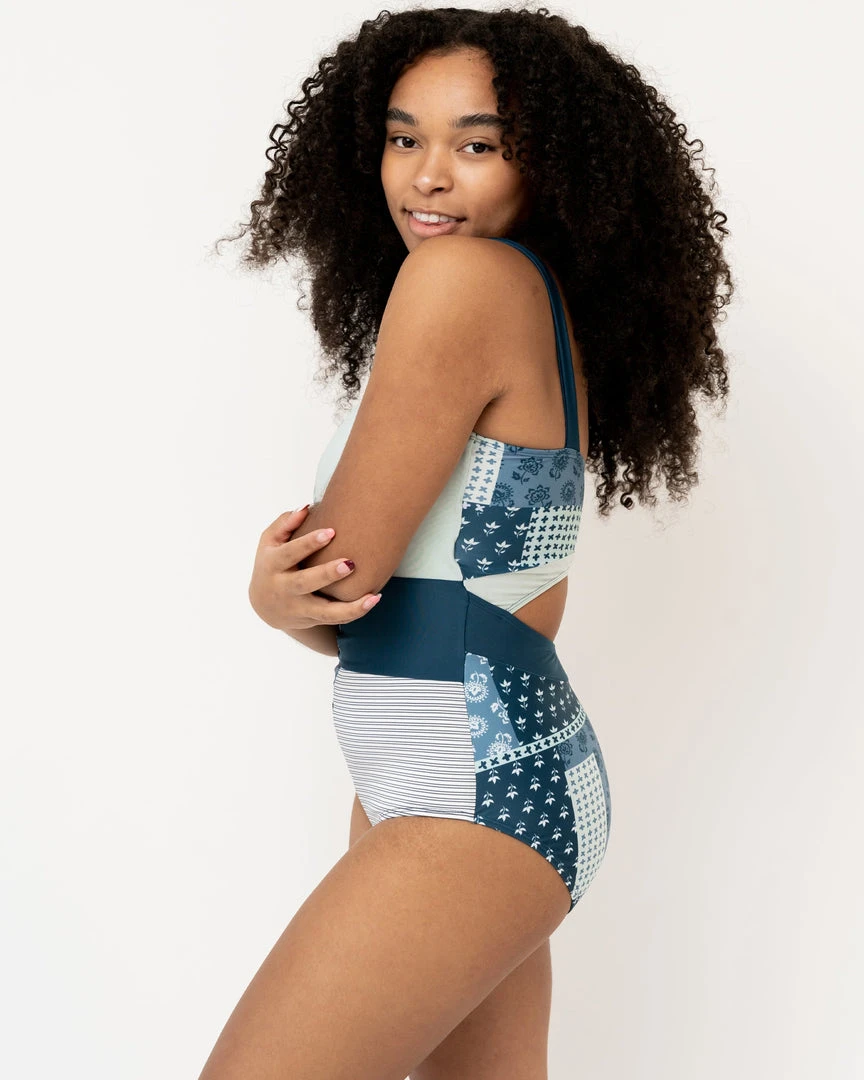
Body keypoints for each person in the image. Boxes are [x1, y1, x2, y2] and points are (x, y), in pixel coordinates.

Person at [202, 7, 734, 1078]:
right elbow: (377, 602)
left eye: (477, 144)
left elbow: (342, 573)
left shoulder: (462, 282)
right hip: (464, 773)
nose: (428, 175)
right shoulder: (519, 296)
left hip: (477, 785)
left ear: (552, 166)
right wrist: (304, 600)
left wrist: (275, 597)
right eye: (404, 137)